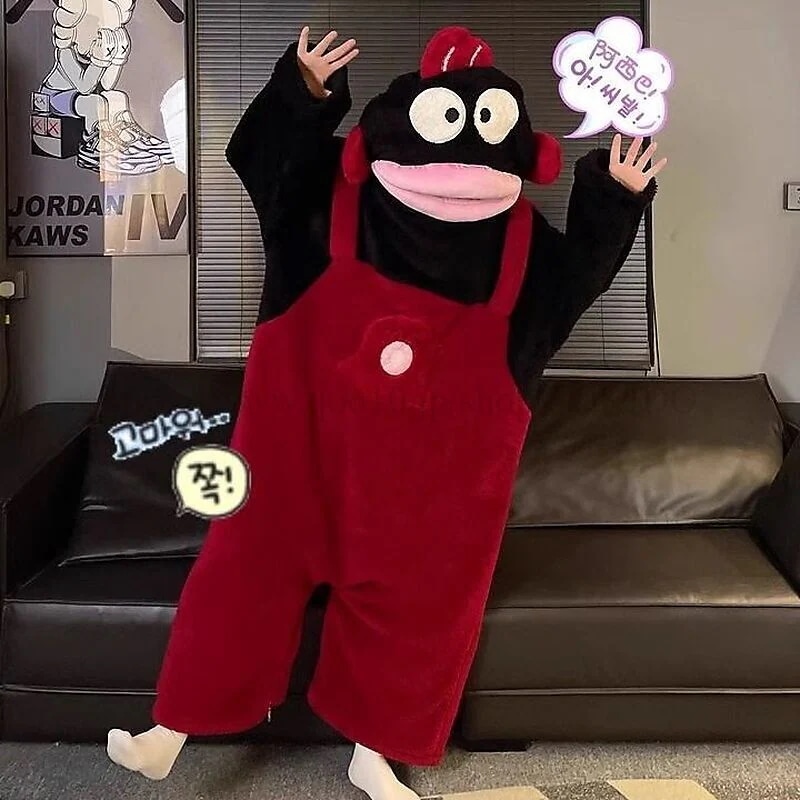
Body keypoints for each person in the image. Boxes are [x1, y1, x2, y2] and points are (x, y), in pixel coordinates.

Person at [106, 25, 666, 800]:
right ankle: (171, 730)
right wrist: (304, 91)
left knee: (419, 622)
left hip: (428, 503)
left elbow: (579, 281)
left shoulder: (524, 251)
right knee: (236, 584)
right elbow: (265, 160)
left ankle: (374, 753)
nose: (459, 165)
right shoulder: (322, 211)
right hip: (294, 470)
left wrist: (613, 196)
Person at [39, 0, 173, 175]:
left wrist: (117, 58)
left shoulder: (92, 52)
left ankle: (129, 138)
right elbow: (84, 87)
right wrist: (100, 61)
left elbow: (106, 85)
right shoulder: (65, 53)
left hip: (78, 97)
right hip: (54, 98)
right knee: (93, 102)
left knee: (117, 97)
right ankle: (94, 146)